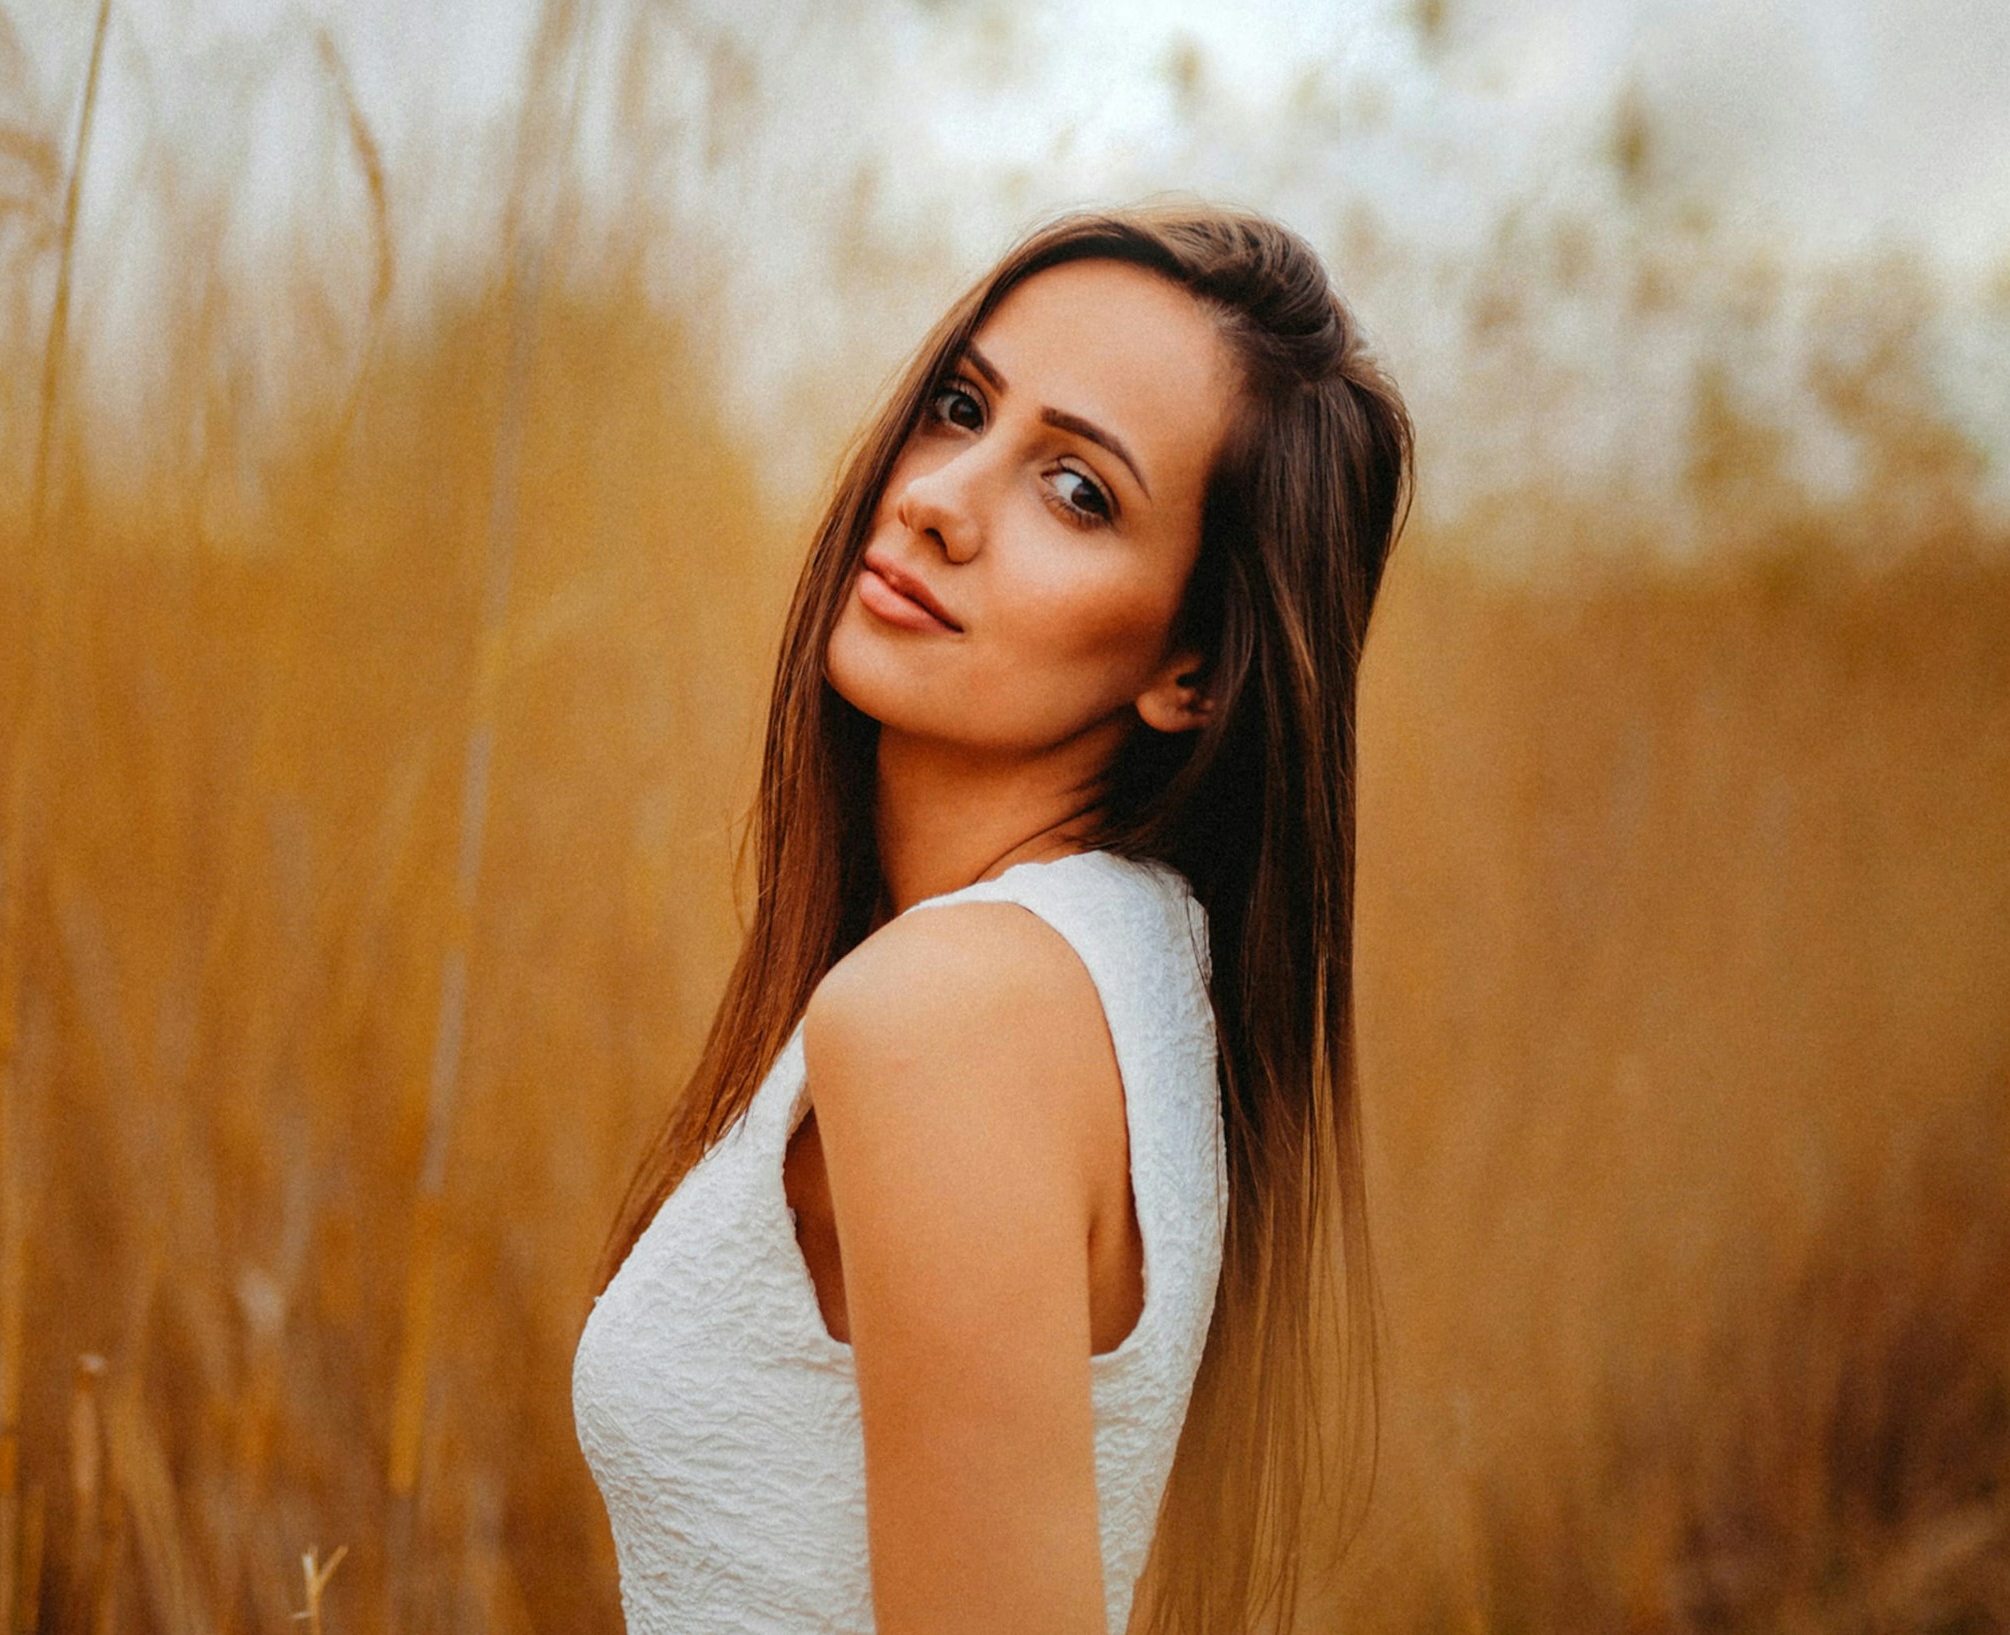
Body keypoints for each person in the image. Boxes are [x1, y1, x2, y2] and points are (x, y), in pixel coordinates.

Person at [572, 202, 1413, 1635]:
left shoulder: (950, 1016)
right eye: (960, 407)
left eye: (1077, 491)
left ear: (1196, 670)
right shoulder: (1142, 962)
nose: (939, 499)